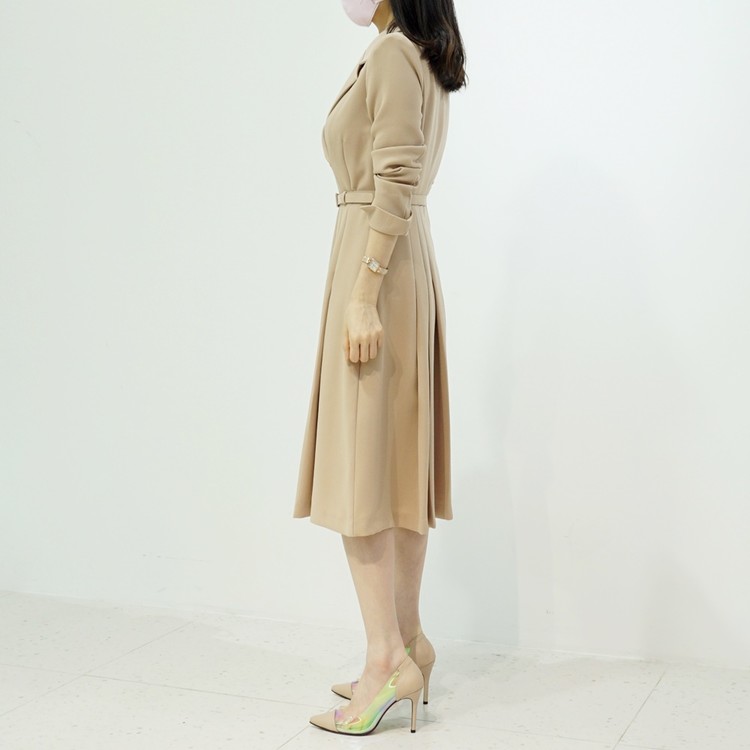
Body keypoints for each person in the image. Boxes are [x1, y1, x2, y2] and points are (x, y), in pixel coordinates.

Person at [293, 0, 467, 736]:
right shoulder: (419, 52)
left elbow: (395, 176)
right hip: (399, 263)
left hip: (378, 266)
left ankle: (385, 660)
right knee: (394, 470)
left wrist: (362, 295)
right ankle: (409, 641)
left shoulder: (394, 54)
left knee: (362, 477)